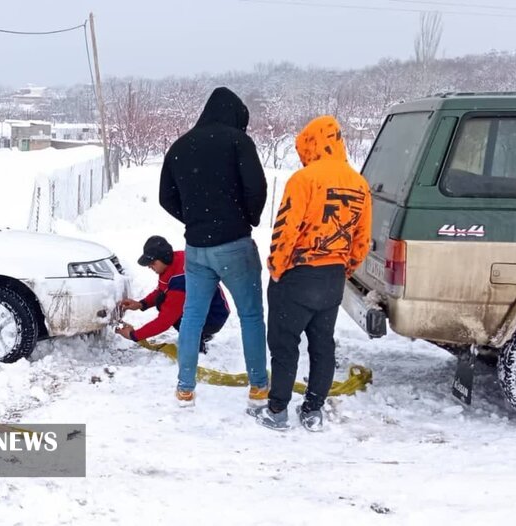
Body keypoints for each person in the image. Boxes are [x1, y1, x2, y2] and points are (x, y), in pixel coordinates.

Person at [249, 115, 372, 432]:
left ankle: (277, 411)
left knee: (284, 344)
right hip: (332, 278)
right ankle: (313, 409)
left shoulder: (304, 180)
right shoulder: (359, 184)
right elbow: (362, 239)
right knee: (322, 345)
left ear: (312, 144)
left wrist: (277, 268)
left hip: (297, 275)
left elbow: (286, 229)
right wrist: (344, 268)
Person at [159, 87, 269, 407]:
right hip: (235, 245)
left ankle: (185, 387)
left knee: (193, 316)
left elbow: (166, 197)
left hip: (195, 248)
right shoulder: (238, 142)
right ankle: (258, 386)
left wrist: (194, 219)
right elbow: (256, 187)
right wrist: (248, 217)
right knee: (250, 315)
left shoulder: (180, 146)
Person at [115, 236, 229, 356]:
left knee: (170, 309)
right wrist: (141, 304)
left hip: (214, 316)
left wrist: (134, 335)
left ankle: (195, 346)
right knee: (163, 300)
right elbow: (162, 290)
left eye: (152, 263)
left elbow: (165, 321)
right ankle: (199, 333)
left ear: (163, 258)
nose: (150, 266)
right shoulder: (173, 262)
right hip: (207, 310)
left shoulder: (181, 281)